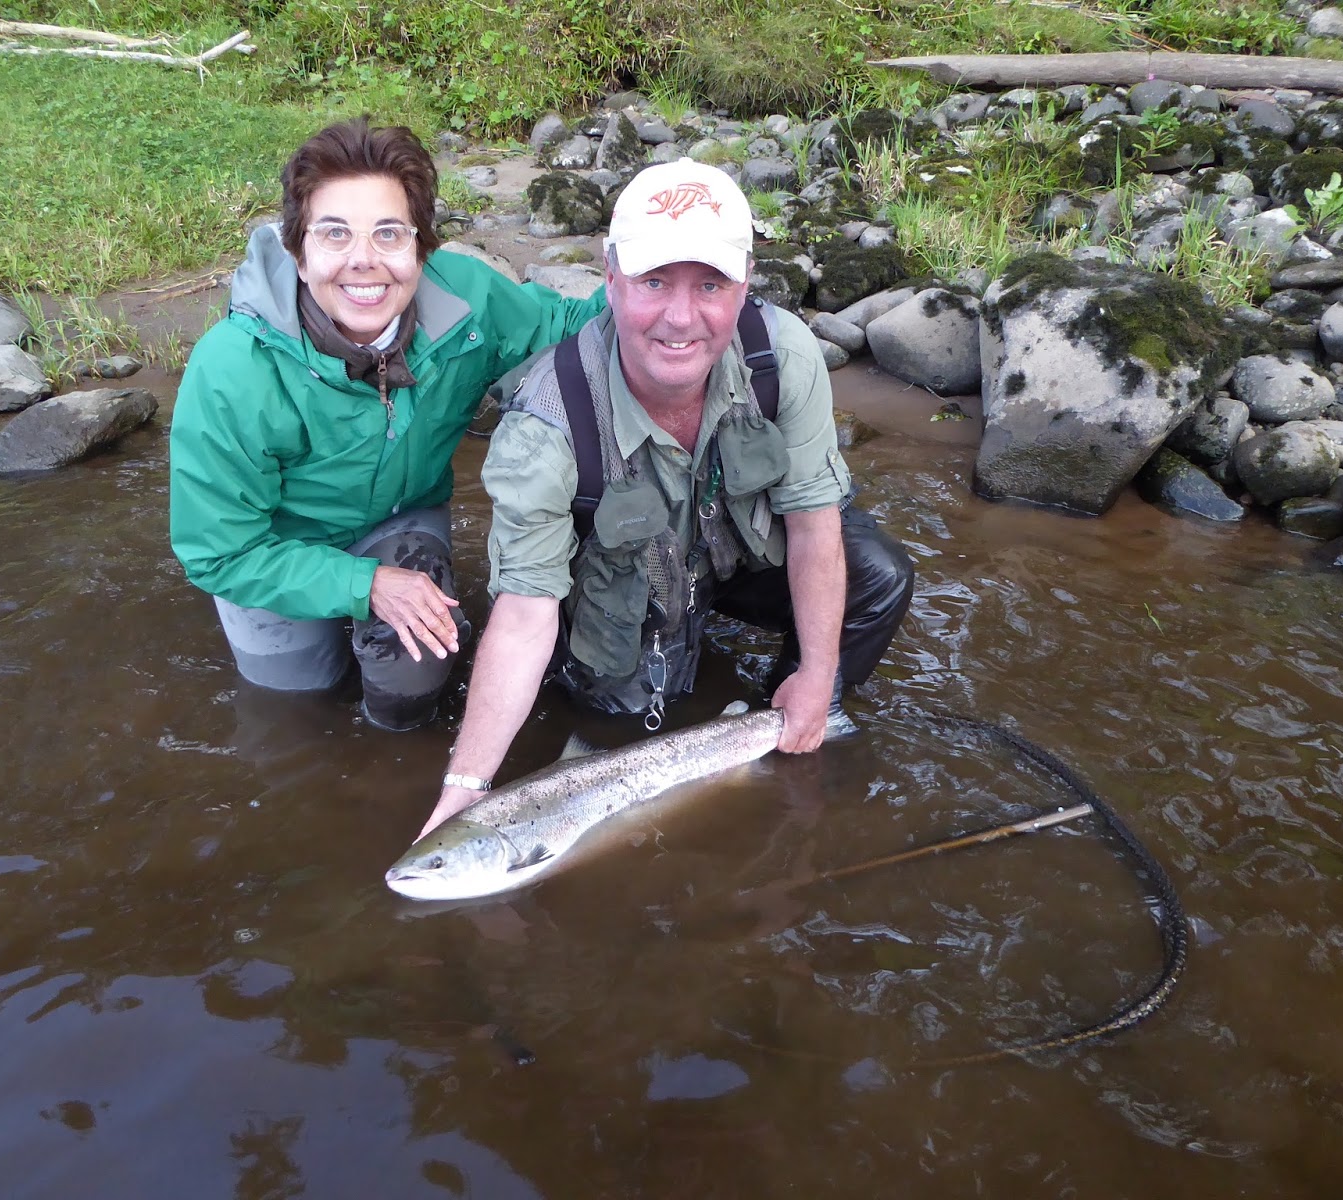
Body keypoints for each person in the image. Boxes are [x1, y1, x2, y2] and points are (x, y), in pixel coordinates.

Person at [418, 159, 913, 836]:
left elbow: (814, 525)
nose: (681, 319)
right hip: (627, 580)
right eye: (654, 282)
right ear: (612, 279)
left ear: (742, 287)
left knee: (878, 577)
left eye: (709, 284)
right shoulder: (544, 428)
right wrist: (466, 787)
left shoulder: (783, 357)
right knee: (619, 712)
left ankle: (783, 726)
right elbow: (524, 614)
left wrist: (818, 680)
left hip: (736, 555)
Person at [169, 119, 604, 731]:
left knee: (415, 673)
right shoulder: (231, 369)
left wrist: (664, 284)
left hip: (400, 518)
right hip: (273, 545)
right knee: (294, 703)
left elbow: (572, 327)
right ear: (298, 250)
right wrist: (365, 585)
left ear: (422, 248)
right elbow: (217, 553)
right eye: (335, 234)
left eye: (389, 234)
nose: (364, 262)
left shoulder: (469, 306)